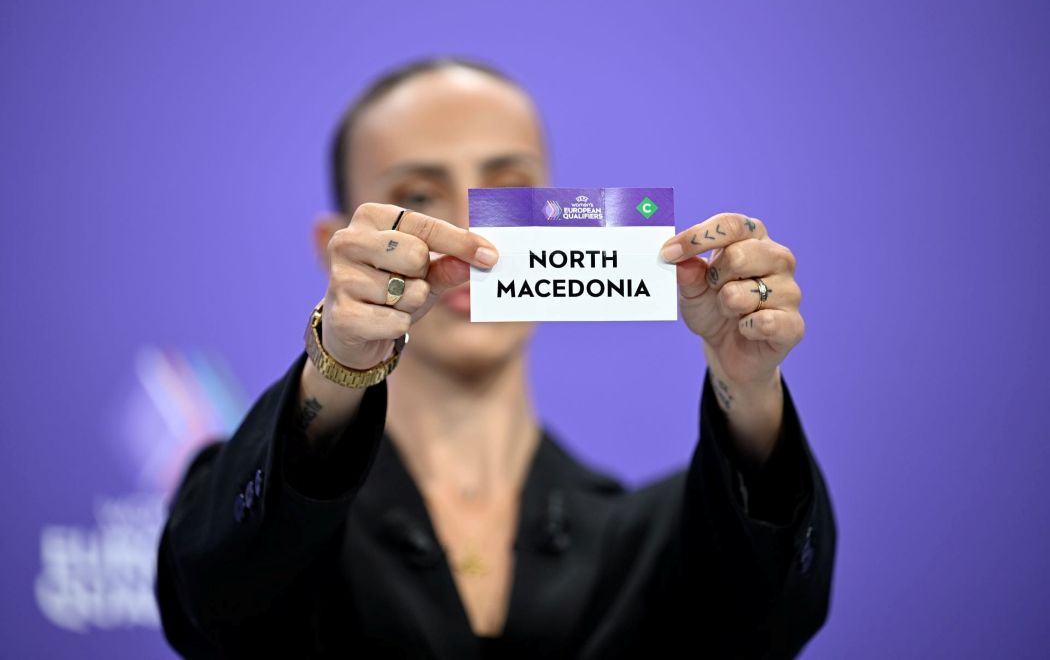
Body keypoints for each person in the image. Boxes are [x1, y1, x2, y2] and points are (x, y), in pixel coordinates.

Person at [154, 57, 836, 659]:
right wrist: (338, 362)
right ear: (332, 247)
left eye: (507, 191)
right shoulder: (256, 506)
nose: (467, 229)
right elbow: (215, 593)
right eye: (417, 197)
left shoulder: (651, 537)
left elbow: (770, 614)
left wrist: (748, 381)